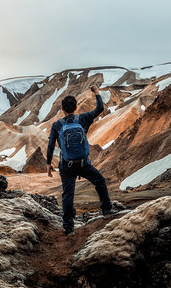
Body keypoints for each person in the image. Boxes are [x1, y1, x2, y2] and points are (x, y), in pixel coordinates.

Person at [46, 85, 114, 236]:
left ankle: (68, 227)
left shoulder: (57, 125)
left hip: (66, 166)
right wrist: (96, 93)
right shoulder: (83, 118)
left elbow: (51, 145)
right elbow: (100, 109)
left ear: (62, 109)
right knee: (100, 181)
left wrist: (48, 164)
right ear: (76, 107)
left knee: (68, 194)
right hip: (84, 164)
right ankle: (107, 210)